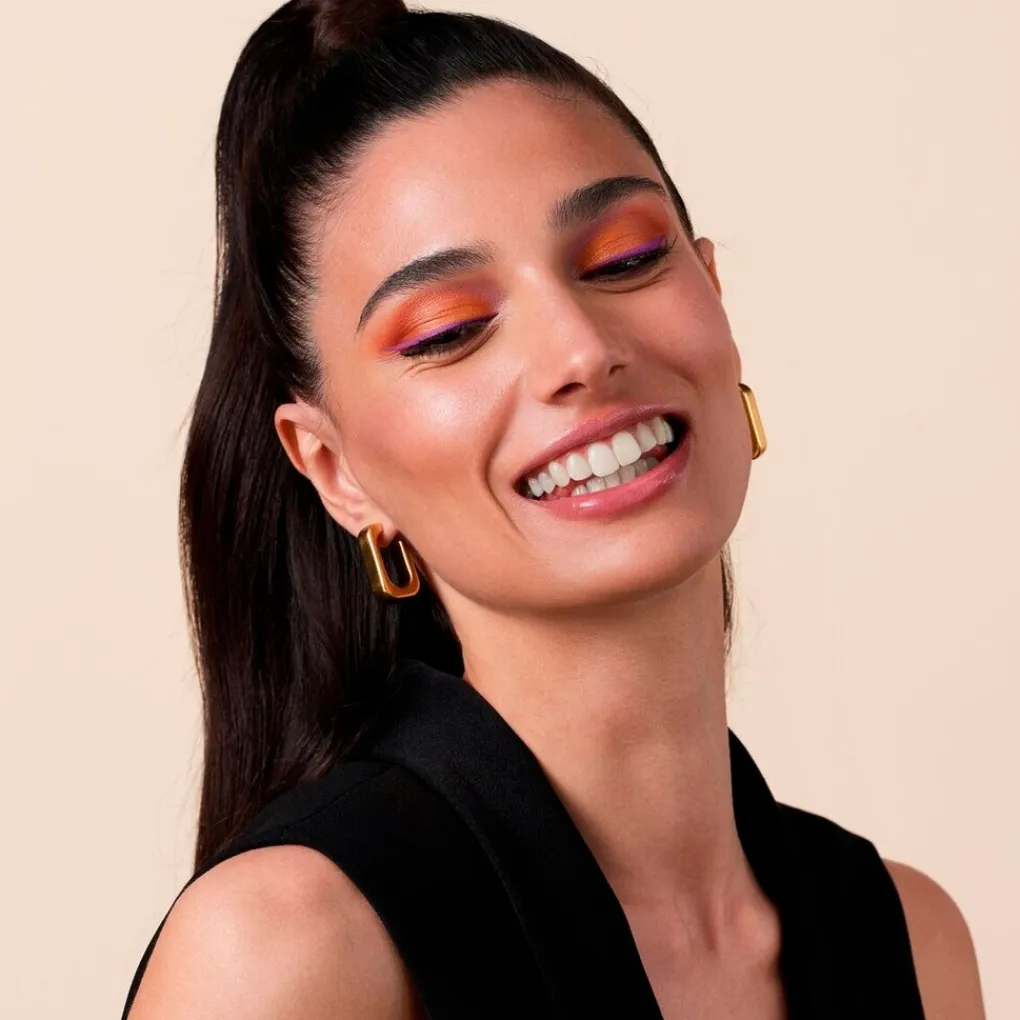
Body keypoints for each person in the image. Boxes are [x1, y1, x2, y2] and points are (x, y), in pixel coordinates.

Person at [121, 1, 986, 1017]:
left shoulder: (910, 940)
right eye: (448, 330)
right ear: (334, 469)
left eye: (625, 260)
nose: (581, 349)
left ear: (714, 294)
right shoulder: (284, 949)